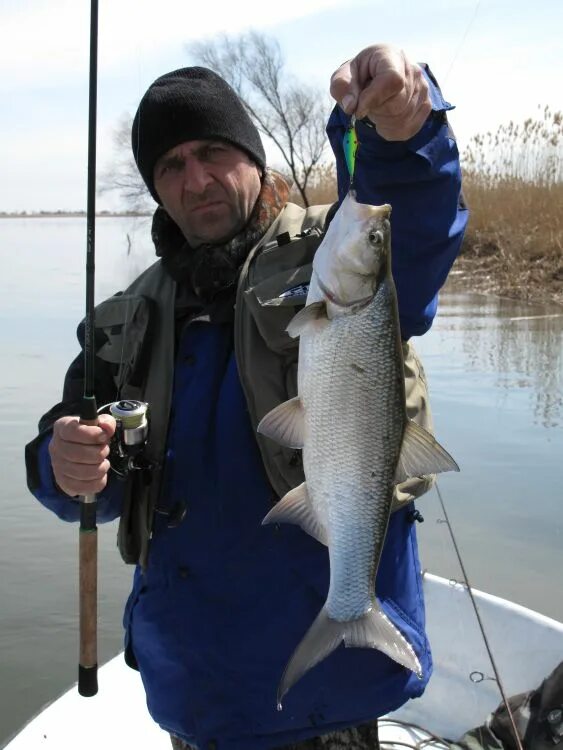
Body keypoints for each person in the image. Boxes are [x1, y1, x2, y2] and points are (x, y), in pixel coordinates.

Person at [25, 43, 467, 750]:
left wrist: (404, 125)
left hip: (328, 692)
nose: (195, 178)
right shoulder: (127, 316)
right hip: (195, 687)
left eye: (211, 151)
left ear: (255, 160)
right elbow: (77, 460)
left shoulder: (333, 256)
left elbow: (404, 214)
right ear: (156, 189)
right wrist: (61, 463)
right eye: (170, 165)